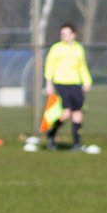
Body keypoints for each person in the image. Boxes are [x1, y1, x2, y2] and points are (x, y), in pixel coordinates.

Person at [43, 23, 93, 152]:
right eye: (62, 33)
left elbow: (82, 66)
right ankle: (51, 134)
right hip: (61, 83)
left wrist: (87, 81)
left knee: (77, 113)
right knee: (65, 113)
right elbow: (50, 66)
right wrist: (49, 83)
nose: (64, 36)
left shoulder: (78, 48)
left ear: (73, 35)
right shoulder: (56, 48)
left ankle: (76, 144)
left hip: (75, 84)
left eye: (67, 33)